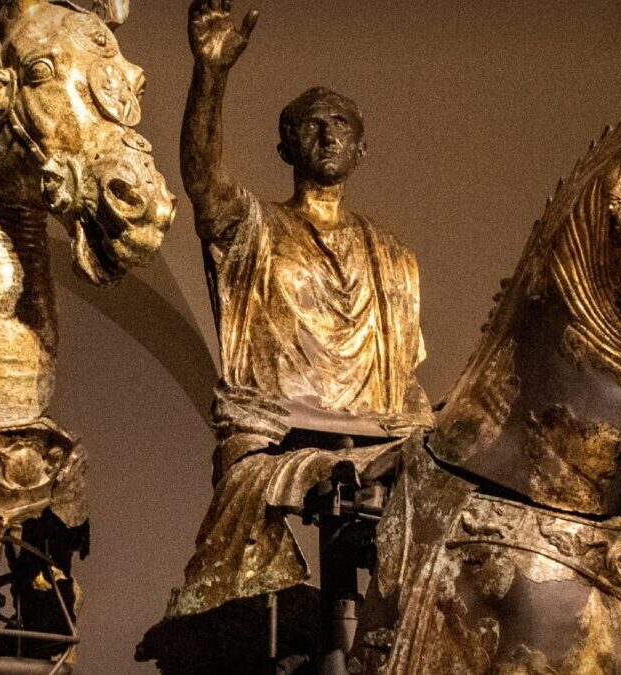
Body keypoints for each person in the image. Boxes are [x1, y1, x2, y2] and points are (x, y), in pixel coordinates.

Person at [138, 2, 431, 672]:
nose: (328, 134)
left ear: (361, 147)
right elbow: (204, 183)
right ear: (286, 147)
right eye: (312, 124)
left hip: (385, 434)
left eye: (342, 126)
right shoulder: (257, 231)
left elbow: (409, 384)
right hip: (278, 442)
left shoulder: (395, 258)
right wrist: (210, 75)